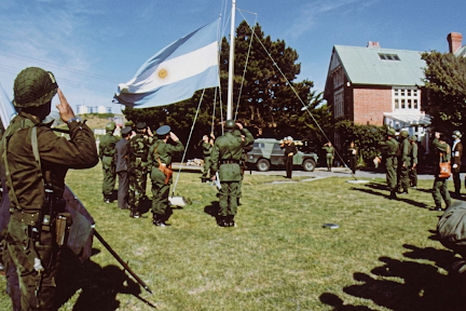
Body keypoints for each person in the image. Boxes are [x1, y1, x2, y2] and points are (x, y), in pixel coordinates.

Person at [1, 67, 98, 310]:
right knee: (39, 293)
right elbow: (87, 155)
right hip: (37, 231)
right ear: (44, 102)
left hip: (20, 223)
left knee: (25, 287)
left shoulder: (12, 130)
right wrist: (73, 120)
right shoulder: (37, 136)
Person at [210, 120, 254, 227]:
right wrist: (243, 128)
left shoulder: (219, 140)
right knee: (233, 194)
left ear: (225, 129)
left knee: (224, 194)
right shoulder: (239, 140)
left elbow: (214, 158)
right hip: (235, 168)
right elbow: (251, 139)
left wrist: (213, 172)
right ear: (234, 129)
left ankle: (223, 218)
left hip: (224, 168)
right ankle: (231, 219)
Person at [148, 125, 184, 227]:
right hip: (163, 173)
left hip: (154, 171)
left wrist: (151, 171)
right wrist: (176, 139)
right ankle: (159, 218)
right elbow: (181, 148)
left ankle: (155, 215)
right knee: (163, 195)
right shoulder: (166, 147)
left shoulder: (153, 146)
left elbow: (149, 161)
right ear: (167, 136)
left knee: (156, 194)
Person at [127, 122, 151, 218]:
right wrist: (150, 134)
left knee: (132, 188)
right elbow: (156, 142)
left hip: (132, 164)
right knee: (139, 189)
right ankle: (137, 211)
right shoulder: (146, 139)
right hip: (141, 166)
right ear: (144, 129)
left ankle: (132, 208)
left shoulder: (132, 139)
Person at [99, 121, 119, 203]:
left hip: (104, 158)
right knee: (111, 177)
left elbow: (100, 151)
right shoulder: (113, 139)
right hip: (110, 159)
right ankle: (108, 195)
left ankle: (105, 193)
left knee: (106, 176)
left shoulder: (102, 138)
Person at [432, 132, 452, 211]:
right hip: (445, 171)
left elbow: (435, 143)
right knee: (444, 189)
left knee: (436, 189)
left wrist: (436, 137)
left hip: (441, 171)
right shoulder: (447, 146)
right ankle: (449, 205)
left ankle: (438, 205)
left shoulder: (444, 146)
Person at [115, 126, 132, 210]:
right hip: (124, 167)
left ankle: (121, 203)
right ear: (128, 135)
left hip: (118, 166)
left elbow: (116, 156)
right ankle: (123, 204)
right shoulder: (127, 144)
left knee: (121, 185)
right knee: (124, 186)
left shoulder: (118, 143)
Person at [379, 128, 399, 199]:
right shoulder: (396, 142)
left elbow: (380, 144)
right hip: (395, 159)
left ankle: (392, 192)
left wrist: (382, 138)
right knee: (394, 174)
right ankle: (394, 188)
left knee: (390, 175)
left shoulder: (389, 142)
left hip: (390, 159)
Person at [397, 130, 411, 195]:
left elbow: (405, 152)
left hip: (405, 160)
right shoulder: (405, 142)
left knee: (404, 175)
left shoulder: (405, 142)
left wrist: (404, 161)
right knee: (402, 175)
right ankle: (402, 188)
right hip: (404, 160)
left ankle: (405, 189)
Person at [452, 130, 463, 196]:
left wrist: (456, 163)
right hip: (455, 161)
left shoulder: (459, 144)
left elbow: (457, 154)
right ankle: (456, 189)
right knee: (455, 176)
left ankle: (457, 190)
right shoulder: (455, 143)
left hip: (457, 162)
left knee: (456, 176)